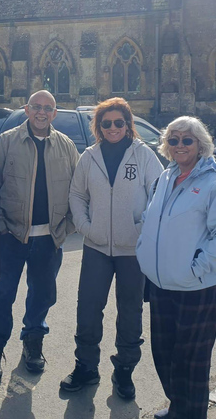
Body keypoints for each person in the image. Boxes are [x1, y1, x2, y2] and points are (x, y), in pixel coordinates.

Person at [135, 116, 216, 419]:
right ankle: (177, 408)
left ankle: (190, 414)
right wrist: (144, 254)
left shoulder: (214, 183)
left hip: (196, 288)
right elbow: (150, 222)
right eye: (173, 140)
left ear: (200, 145)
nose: (179, 145)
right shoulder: (165, 178)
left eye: (186, 140)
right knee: (164, 355)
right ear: (166, 146)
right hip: (160, 284)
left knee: (191, 362)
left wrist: (196, 269)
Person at [62, 97, 163, 399]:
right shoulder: (89, 157)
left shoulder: (144, 155)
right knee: (88, 309)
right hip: (96, 247)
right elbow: (77, 195)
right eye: (106, 123)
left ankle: (124, 371)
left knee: (130, 312)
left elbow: (159, 196)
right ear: (99, 127)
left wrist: (140, 229)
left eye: (119, 122)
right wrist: (85, 226)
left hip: (133, 249)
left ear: (128, 124)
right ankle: (86, 367)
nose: (113, 128)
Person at [0, 90, 80, 383]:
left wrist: (67, 227)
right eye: (36, 106)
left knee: (42, 296)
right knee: (1, 297)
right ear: (26, 109)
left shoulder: (66, 146)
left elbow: (79, 191)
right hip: (11, 236)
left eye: (47, 108)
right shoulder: (7, 141)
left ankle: (32, 344)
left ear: (55, 113)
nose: (41, 112)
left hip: (49, 239)